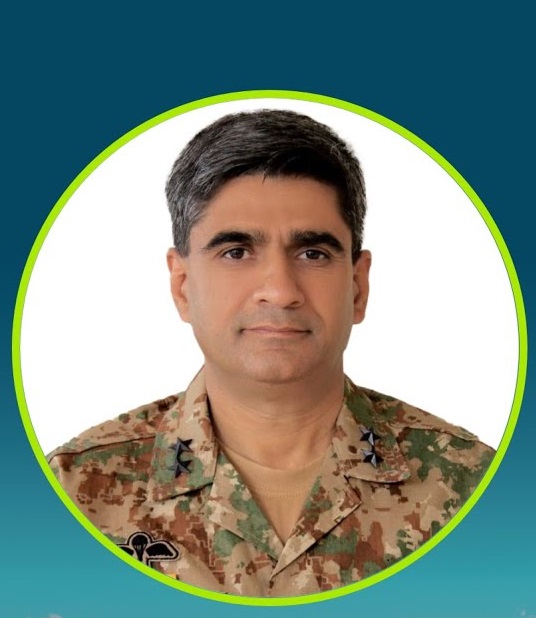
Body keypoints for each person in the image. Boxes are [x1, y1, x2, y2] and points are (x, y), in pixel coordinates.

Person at [48, 109, 494, 598]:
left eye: (313, 253)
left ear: (357, 286)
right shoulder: (73, 493)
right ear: (182, 286)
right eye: (236, 252)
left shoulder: (474, 486)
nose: (280, 290)